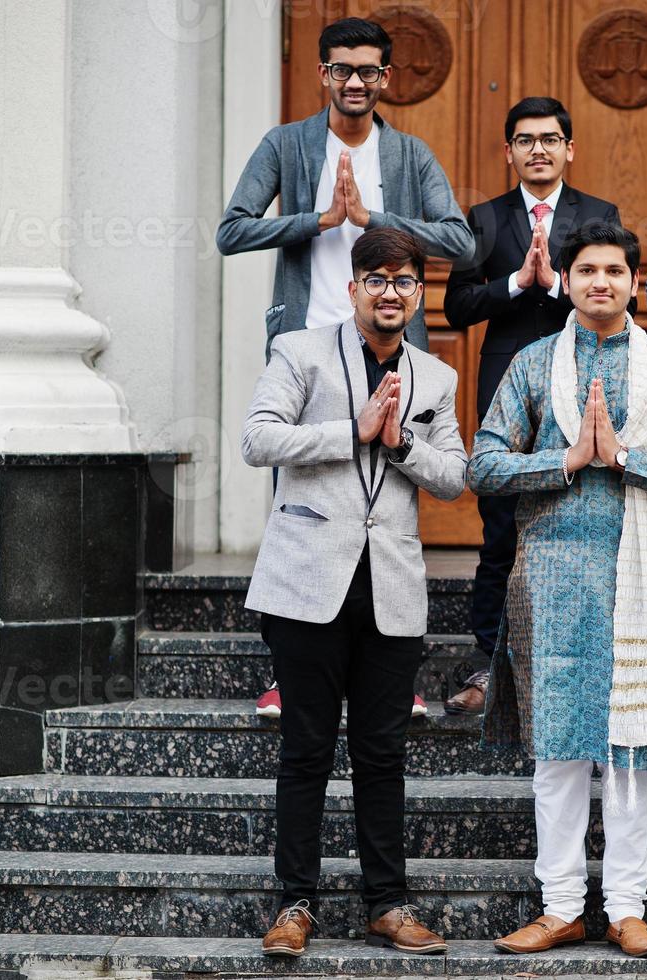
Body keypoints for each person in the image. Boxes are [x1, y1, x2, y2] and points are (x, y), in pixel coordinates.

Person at [470, 223, 647, 959]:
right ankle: (557, 907)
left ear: (634, 282)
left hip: (642, 580)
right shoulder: (531, 364)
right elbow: (483, 466)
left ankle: (624, 908)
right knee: (556, 752)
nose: (600, 282)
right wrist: (565, 459)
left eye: (614, 270)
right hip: (550, 581)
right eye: (586, 270)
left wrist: (624, 459)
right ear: (567, 280)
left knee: (632, 753)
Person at [215, 16, 472, 717]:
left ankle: (394, 674)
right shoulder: (287, 144)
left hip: (389, 346)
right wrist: (318, 221)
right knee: (296, 503)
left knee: (393, 495)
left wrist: (375, 219)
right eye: (340, 69)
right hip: (307, 346)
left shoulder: (411, 154)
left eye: (367, 71)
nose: (354, 81)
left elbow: (460, 240)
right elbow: (232, 229)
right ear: (322, 75)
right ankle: (287, 676)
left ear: (385, 79)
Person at [243, 228, 467, 959]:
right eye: (377, 279)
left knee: (382, 754)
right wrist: (353, 430)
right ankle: (294, 905)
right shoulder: (300, 352)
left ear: (418, 293)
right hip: (306, 581)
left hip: (391, 588)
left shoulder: (436, 378)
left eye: (405, 281)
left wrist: (400, 443)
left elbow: (453, 476)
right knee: (305, 750)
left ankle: (388, 904)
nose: (391, 293)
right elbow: (258, 440)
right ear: (354, 288)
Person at [442, 96, 627, 715]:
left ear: (569, 148)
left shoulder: (598, 213)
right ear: (509, 151)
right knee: (500, 526)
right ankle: (486, 663)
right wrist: (518, 282)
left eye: (550, 139)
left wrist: (553, 284)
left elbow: (612, 293)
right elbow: (457, 306)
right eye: (525, 140)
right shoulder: (486, 218)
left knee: (578, 517)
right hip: (507, 382)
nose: (538, 149)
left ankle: (578, 658)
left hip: (582, 379)